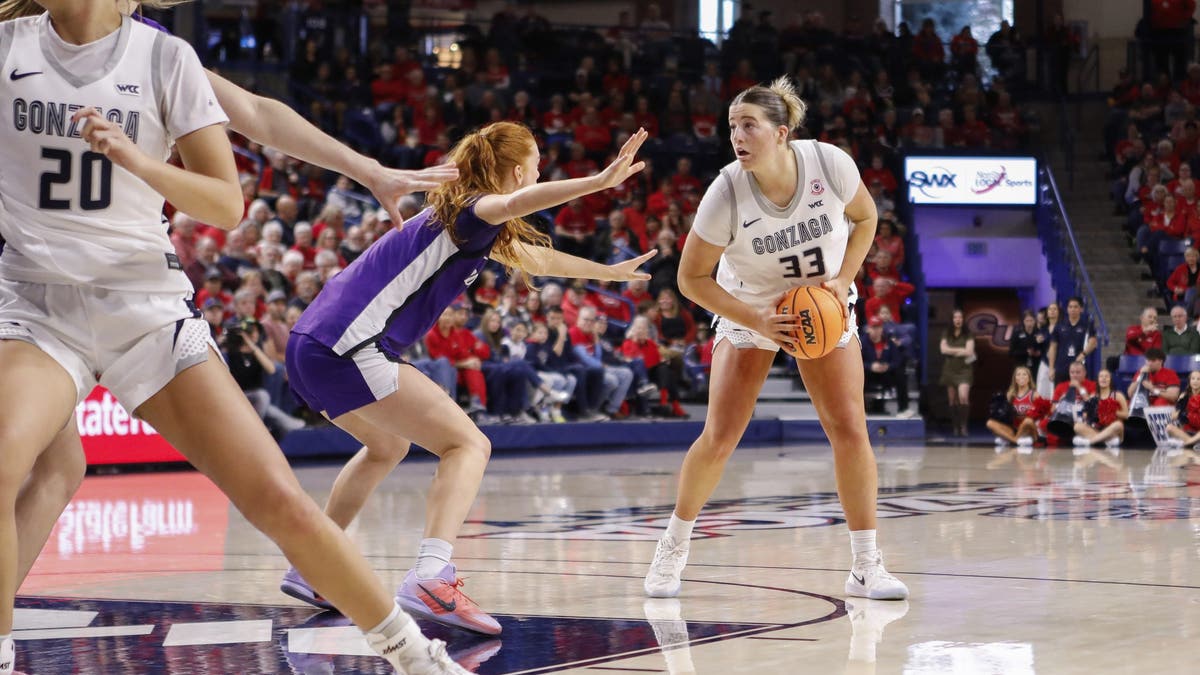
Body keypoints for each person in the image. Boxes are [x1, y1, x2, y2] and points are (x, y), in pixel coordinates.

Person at [0, 2, 466, 673]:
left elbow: (250, 128)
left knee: (278, 499)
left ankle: (413, 652)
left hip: (146, 310)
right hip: (39, 307)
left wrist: (365, 168)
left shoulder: (160, 55)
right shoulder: (12, 46)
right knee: (31, 462)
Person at [281, 123, 655, 634]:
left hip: (310, 344)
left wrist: (608, 274)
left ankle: (313, 566)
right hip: (348, 345)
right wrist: (598, 181)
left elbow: (535, 257)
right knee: (468, 446)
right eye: (537, 162)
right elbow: (511, 207)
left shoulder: (457, 219)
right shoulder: (473, 208)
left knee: (386, 447)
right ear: (519, 172)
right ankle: (431, 577)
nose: (541, 169)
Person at [642, 78, 908, 602]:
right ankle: (672, 549)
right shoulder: (726, 191)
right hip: (751, 307)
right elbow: (690, 280)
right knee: (719, 435)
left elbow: (866, 217)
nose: (737, 136)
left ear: (781, 133)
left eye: (749, 125)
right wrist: (756, 318)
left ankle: (865, 565)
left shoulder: (829, 164)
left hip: (820, 305)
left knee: (851, 428)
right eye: (731, 128)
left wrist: (842, 279)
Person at [940, 309, 976, 437]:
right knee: (952, 400)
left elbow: (970, 352)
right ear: (952, 319)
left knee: (963, 397)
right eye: (955, 317)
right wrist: (960, 350)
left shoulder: (968, 334)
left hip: (964, 370)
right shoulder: (946, 333)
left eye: (960, 317)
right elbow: (943, 350)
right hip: (949, 370)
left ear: (963, 319)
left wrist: (952, 350)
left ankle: (963, 426)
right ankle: (955, 426)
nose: (958, 319)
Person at [986, 366, 1043, 447]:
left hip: (1029, 429)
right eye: (1018, 375)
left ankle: (1009, 439)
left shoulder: (1035, 394)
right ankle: (1015, 440)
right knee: (990, 423)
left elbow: (1042, 415)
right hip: (1014, 428)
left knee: (1028, 421)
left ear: (1029, 378)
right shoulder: (1010, 395)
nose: (1021, 377)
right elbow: (1005, 416)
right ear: (1015, 379)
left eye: (1024, 374)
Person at [1073, 369, 1127, 449]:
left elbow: (1126, 415)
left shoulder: (1118, 395)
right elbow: (1086, 416)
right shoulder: (1093, 397)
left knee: (1118, 425)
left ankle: (1089, 442)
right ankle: (1106, 442)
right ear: (1098, 380)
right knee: (1077, 426)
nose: (1104, 378)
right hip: (1096, 429)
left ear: (1110, 380)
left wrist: (1113, 412)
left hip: (1112, 430)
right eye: (1101, 376)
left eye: (1106, 376)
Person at [1046, 297, 1097, 384]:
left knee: (1079, 395)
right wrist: (1051, 368)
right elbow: (1053, 347)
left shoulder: (1087, 324)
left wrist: (1083, 354)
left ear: (1081, 309)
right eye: (1070, 307)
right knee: (1060, 396)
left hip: (1079, 368)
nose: (1072, 309)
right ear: (1067, 309)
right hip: (1061, 367)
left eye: (1075, 307)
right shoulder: (1059, 325)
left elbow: (1093, 342)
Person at [1165, 370, 1200, 447]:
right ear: (1189, 381)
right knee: (1169, 427)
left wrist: (1183, 414)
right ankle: (1193, 443)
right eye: (1193, 378)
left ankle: (1187, 443)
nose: (1195, 381)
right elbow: (1175, 416)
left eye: (1198, 379)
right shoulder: (1184, 396)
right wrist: (1179, 405)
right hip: (1189, 431)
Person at [1008, 310, 1046, 377]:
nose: (1029, 323)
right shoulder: (1017, 333)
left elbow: (1044, 349)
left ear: (1035, 321)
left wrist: (1039, 353)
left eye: (1031, 320)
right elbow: (1011, 352)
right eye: (1027, 321)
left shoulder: (1040, 333)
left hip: (1036, 366)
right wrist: (1026, 352)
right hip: (1021, 366)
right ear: (1023, 321)